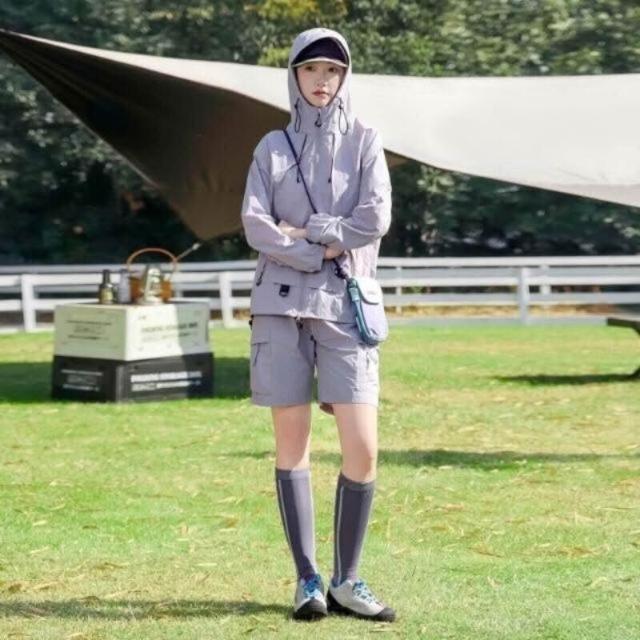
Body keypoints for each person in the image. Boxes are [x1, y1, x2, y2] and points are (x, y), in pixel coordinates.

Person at [240, 27, 395, 623]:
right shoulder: (271, 147)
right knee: (292, 445)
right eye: (311, 70)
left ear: (345, 76)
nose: (322, 80)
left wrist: (311, 233)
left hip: (346, 307)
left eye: (332, 70)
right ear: (295, 76)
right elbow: (256, 224)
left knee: (363, 448)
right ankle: (307, 579)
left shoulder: (365, 140)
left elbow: (374, 218)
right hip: (279, 307)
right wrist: (315, 248)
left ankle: (347, 580)